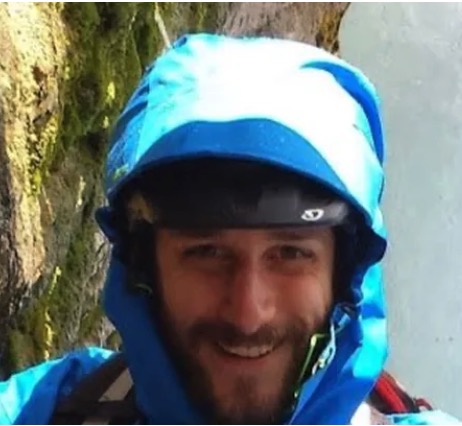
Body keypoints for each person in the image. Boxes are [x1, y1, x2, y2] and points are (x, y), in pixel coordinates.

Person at [0, 33, 457, 425]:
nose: (248, 314)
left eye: (291, 253)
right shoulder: (43, 411)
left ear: (344, 276)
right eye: (206, 252)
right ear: (143, 266)